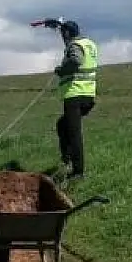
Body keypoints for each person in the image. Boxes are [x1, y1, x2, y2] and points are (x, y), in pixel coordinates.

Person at [32, 17, 98, 180]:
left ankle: (78, 172)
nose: (62, 37)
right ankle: (66, 159)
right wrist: (51, 23)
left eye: (63, 34)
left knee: (73, 133)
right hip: (88, 95)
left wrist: (62, 70)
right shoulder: (89, 44)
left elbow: (76, 61)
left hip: (75, 94)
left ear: (67, 34)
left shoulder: (74, 46)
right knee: (62, 125)